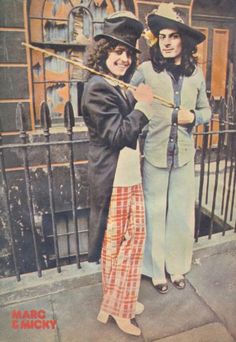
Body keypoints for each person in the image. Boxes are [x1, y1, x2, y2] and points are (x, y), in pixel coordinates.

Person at [81, 11, 153, 336]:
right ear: (104, 51)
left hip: (128, 175)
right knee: (119, 245)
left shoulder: (118, 85)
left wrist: (136, 102)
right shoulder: (97, 88)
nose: (123, 58)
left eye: (128, 53)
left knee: (130, 241)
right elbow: (120, 134)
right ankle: (120, 311)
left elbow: (127, 130)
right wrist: (143, 108)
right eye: (117, 51)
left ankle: (115, 302)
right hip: (114, 180)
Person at [131, 3, 211, 294]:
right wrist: (138, 100)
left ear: (183, 41)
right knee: (154, 212)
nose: (166, 42)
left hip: (184, 157)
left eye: (172, 36)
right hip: (154, 154)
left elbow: (207, 111)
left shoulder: (195, 74)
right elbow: (126, 98)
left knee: (179, 213)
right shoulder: (146, 71)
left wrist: (195, 117)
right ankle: (155, 270)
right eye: (161, 36)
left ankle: (176, 267)